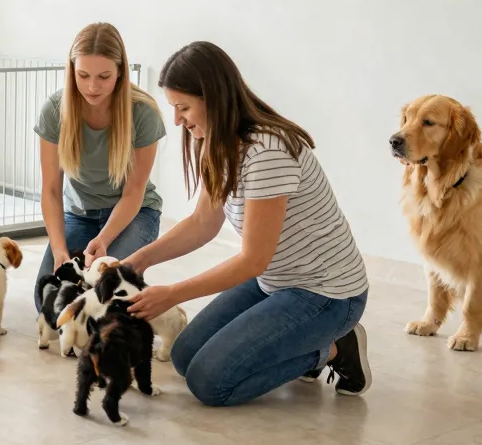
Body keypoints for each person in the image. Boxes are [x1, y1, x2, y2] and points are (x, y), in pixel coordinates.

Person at [124, 41, 371, 406]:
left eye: (184, 108)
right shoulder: (218, 142)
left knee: (211, 384)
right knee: (183, 356)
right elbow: (202, 223)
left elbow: (253, 260)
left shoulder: (268, 153)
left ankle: (334, 349)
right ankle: (298, 342)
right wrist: (138, 261)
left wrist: (173, 294)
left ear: (214, 98)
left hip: (326, 294)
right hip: (276, 282)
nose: (177, 120)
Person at [34, 22, 166, 305]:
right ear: (71, 71)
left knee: (103, 294)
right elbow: (51, 192)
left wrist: (105, 239)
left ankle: (131, 283)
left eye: (104, 76)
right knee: (48, 300)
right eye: (83, 75)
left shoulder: (143, 113)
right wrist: (59, 251)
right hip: (80, 213)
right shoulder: (55, 110)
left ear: (120, 72)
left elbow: (134, 192)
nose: (92, 87)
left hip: (135, 212)